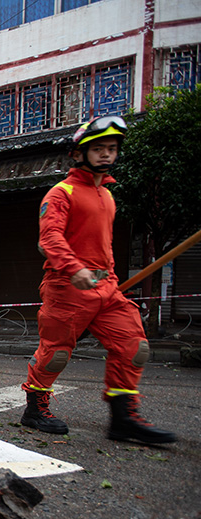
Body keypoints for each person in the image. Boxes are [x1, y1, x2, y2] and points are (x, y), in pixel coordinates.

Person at [20, 116, 175, 444]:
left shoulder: (107, 195)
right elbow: (49, 238)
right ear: (80, 153)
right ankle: (35, 408)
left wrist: (108, 277)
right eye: (99, 149)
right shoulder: (61, 193)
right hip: (66, 286)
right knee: (56, 353)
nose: (106, 155)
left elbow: (102, 246)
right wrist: (75, 269)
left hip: (106, 287)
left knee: (135, 347)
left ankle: (122, 419)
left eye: (112, 149)